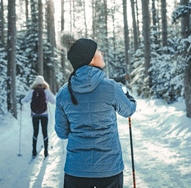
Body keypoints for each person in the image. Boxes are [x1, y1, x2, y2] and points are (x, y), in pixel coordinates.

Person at [55, 34, 136, 188]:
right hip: (109, 169)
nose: (102, 53)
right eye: (98, 50)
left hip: (76, 170)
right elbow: (128, 110)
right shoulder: (111, 87)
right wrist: (128, 96)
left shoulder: (64, 93)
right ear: (90, 59)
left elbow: (62, 133)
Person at [20, 75, 55, 158]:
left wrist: (20, 101)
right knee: (44, 132)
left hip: (35, 115)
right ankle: (46, 151)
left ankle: (34, 151)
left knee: (35, 132)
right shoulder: (46, 91)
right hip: (44, 115)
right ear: (43, 83)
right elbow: (53, 101)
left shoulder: (32, 91)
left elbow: (25, 100)